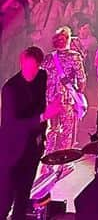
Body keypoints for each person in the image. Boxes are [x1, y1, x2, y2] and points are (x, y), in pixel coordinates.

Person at [0, 47, 48, 220]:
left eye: (33, 68)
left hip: (32, 149)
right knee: (4, 200)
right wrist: (43, 117)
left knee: (23, 195)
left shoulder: (42, 77)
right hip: (11, 151)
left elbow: (40, 104)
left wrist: (42, 138)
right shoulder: (10, 89)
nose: (29, 72)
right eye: (25, 67)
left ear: (39, 66)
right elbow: (12, 124)